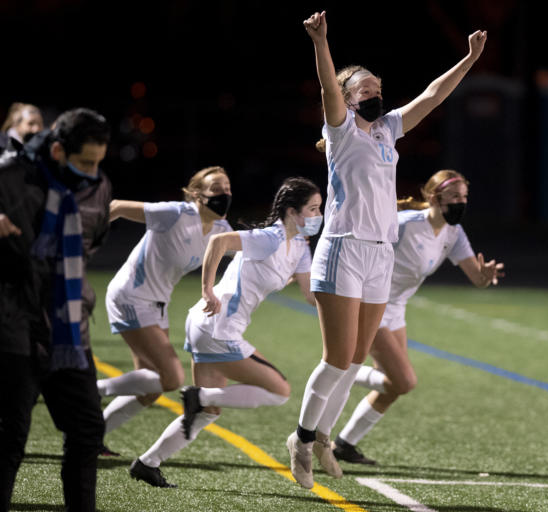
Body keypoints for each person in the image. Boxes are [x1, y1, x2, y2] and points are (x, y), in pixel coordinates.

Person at [286, 10, 487, 489]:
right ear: (351, 98)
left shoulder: (387, 130)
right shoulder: (341, 132)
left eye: (379, 88)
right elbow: (327, 89)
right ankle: (302, 438)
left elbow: (433, 96)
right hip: (342, 249)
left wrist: (470, 58)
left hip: (380, 254)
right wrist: (321, 43)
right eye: (367, 91)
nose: (377, 94)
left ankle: (324, 438)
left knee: (355, 361)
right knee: (337, 359)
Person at [128, 177, 322, 488]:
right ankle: (198, 395)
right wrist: (207, 289)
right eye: (312, 209)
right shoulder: (269, 237)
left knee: (207, 413)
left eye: (319, 209)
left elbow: (312, 294)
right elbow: (220, 243)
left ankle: (147, 464)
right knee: (279, 391)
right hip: (216, 325)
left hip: (209, 326)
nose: (317, 215)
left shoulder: (299, 247)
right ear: (291, 212)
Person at [331, 170, 504, 465]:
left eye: (464, 197)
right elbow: (358, 249)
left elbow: (477, 279)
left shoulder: (453, 233)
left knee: (394, 388)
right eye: (454, 197)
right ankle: (334, 372)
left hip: (396, 308)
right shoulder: (405, 224)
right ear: (436, 198)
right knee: (405, 381)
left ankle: (344, 444)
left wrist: (485, 277)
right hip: (369, 304)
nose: (461, 202)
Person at [0, 108, 111, 512]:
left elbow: (91, 242)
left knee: (87, 429)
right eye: (85, 162)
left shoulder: (98, 188)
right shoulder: (10, 176)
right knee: (10, 437)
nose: (93, 172)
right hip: (13, 327)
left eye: (99, 162)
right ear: (60, 150)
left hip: (67, 332)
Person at [96, 167, 233, 443]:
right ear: (197, 195)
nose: (225, 195)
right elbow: (117, 207)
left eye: (228, 189)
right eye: (216, 189)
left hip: (157, 306)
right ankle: (88, 390)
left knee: (149, 388)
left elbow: (252, 251)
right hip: (130, 296)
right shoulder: (175, 214)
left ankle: (90, 438)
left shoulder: (221, 229)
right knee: (170, 378)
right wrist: (83, 240)